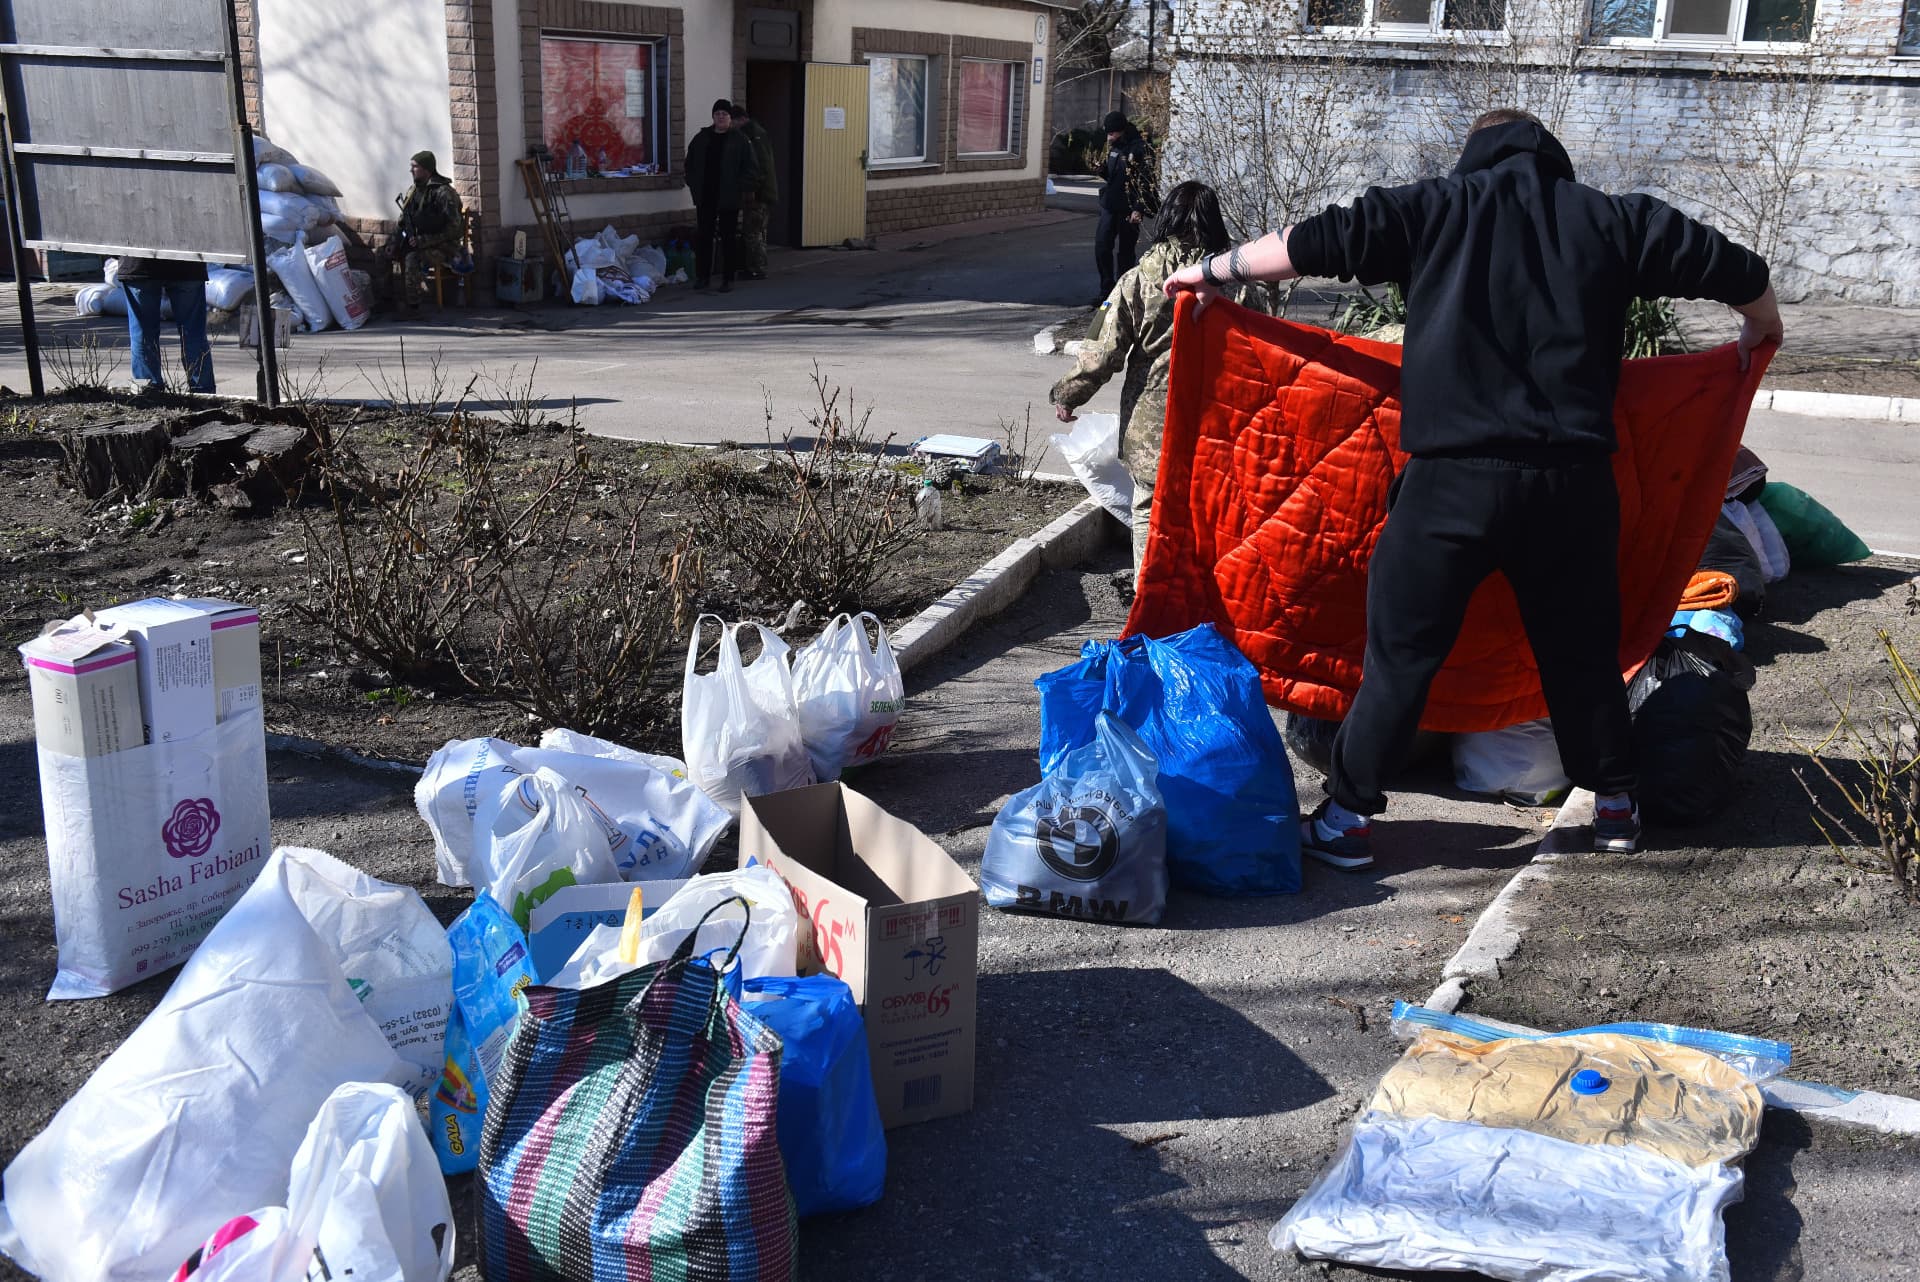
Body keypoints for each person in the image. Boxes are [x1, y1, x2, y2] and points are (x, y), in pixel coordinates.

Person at [1164, 108, 1784, 866]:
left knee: (1400, 660)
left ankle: (1349, 821)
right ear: (1553, 162)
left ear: (1474, 159)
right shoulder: (1617, 222)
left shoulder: (1431, 209)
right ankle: (1617, 808)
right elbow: (1743, 273)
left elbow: (1310, 243)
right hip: (1571, 489)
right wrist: (1761, 331)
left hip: (1449, 486)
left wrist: (1212, 270)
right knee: (1582, 658)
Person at [1051, 181, 1264, 572]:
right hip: (1221, 421)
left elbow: (1101, 349)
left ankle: (1148, 601)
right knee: (1214, 512)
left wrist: (1068, 394)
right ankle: (1206, 601)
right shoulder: (1237, 285)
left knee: (1149, 507)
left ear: (1166, 218)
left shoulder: (1136, 280)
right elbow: (1264, 355)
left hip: (1152, 423)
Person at [684, 100, 761, 292]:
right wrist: (693, 183)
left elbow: (751, 168)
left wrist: (741, 188)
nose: (720, 117)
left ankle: (728, 278)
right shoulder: (702, 138)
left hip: (729, 197)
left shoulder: (740, 140)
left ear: (730, 118)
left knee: (728, 239)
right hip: (706, 196)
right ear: (713, 116)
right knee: (704, 237)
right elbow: (690, 163)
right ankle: (703, 277)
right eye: (717, 113)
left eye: (724, 114)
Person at [382, 151, 466, 310]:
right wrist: (394, 242)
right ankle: (386, 301)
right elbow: (402, 222)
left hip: (443, 246)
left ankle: (413, 307)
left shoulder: (444, 193)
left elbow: (455, 229)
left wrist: (425, 240)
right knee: (382, 253)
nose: (411, 170)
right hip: (417, 241)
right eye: (411, 166)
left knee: (412, 258)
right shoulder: (413, 191)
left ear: (427, 169)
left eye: (415, 166)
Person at [119, 256, 213, 394]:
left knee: (143, 333)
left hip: (138, 263)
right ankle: (203, 391)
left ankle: (147, 391)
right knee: (193, 333)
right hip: (188, 262)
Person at [1095, 111, 1157, 299]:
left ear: (1121, 130)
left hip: (1129, 208)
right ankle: (1106, 290)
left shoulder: (1140, 148)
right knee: (1102, 246)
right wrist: (1102, 170)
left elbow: (1146, 181)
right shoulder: (1114, 148)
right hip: (1110, 205)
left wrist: (1138, 209)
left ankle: (1122, 293)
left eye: (1111, 133)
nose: (1109, 137)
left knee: (1125, 252)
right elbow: (1114, 176)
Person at [731, 100, 777, 280]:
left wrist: (751, 189)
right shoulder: (757, 133)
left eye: (733, 122)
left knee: (753, 231)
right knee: (758, 231)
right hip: (763, 192)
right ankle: (757, 266)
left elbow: (758, 166)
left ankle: (756, 268)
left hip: (758, 194)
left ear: (740, 119)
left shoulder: (752, 136)